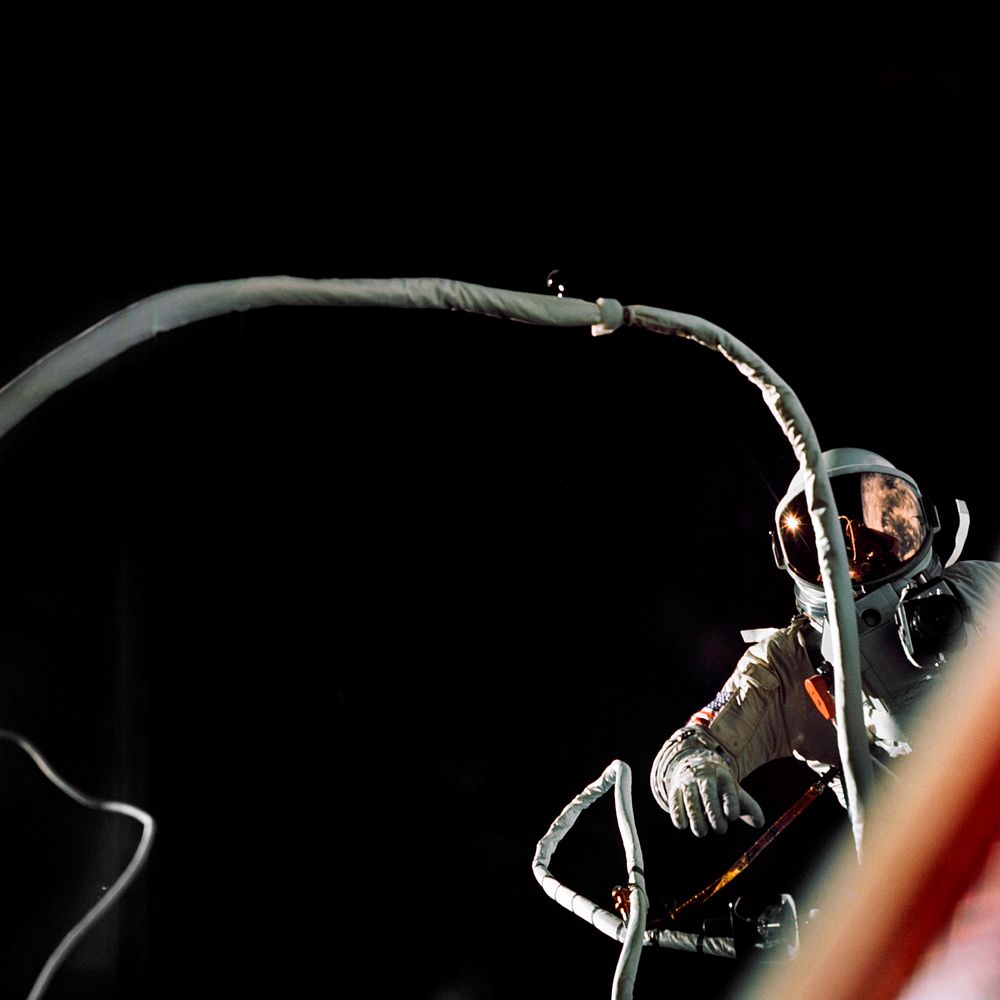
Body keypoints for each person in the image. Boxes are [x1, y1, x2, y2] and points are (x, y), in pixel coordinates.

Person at [649, 447, 1000, 837]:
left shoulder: (980, 586)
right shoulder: (789, 663)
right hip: (927, 856)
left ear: (923, 519)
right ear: (790, 557)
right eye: (828, 542)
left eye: (877, 527)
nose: (858, 553)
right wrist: (693, 769)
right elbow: (695, 742)